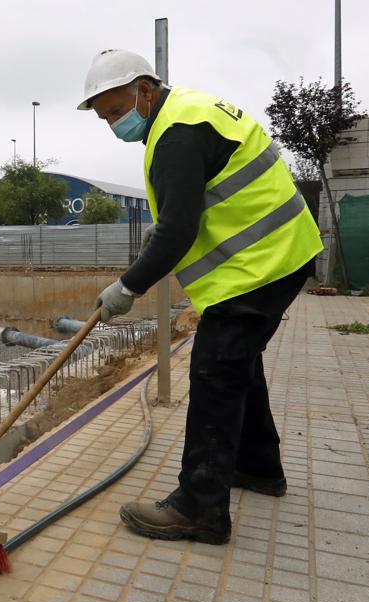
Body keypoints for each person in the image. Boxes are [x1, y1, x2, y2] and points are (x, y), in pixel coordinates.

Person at [79, 49, 322, 544]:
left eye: (115, 110)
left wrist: (127, 288)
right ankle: (258, 468)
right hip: (277, 256)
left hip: (262, 265)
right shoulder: (186, 114)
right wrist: (164, 229)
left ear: (144, 90)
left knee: (214, 372)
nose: (112, 124)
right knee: (237, 364)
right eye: (104, 117)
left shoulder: (176, 133)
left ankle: (200, 507)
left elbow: (178, 231)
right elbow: (194, 205)